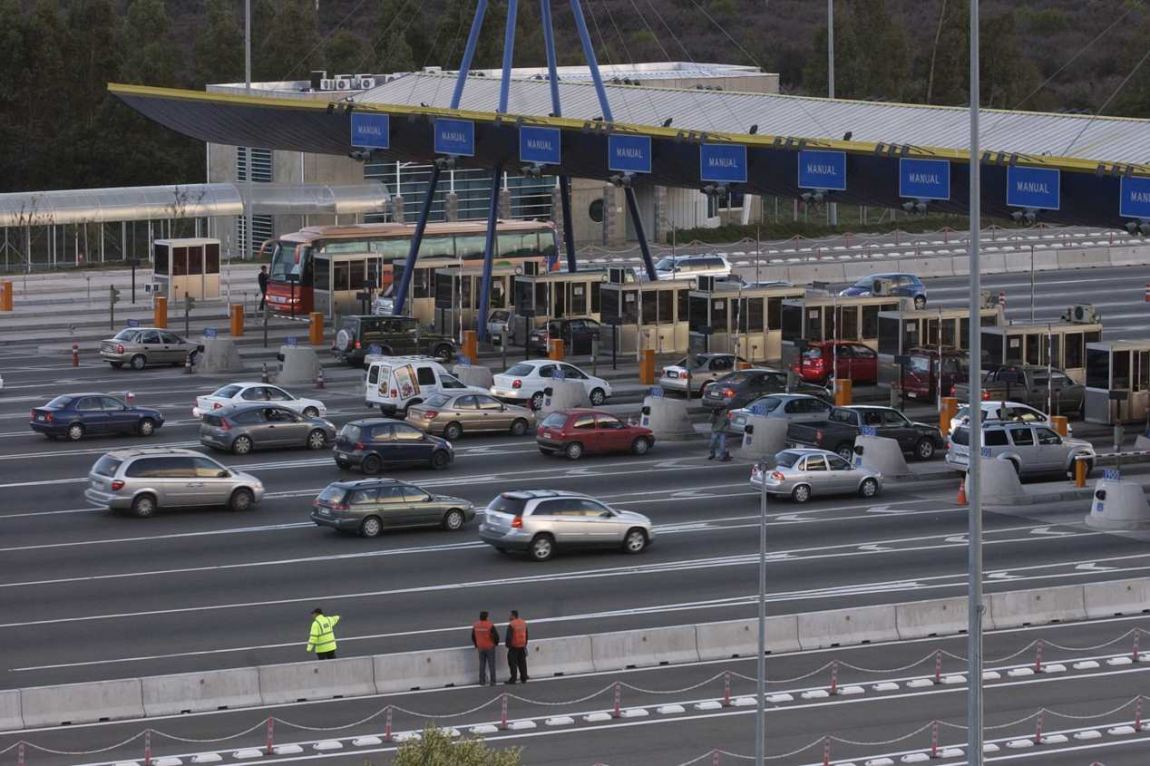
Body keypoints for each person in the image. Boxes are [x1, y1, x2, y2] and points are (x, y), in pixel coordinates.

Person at [471, 610, 500, 686]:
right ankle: (493, 681)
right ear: (487, 617)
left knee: (482, 664)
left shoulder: (476, 625)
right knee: (491, 665)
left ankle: (482, 681)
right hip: (490, 646)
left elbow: (473, 636)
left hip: (480, 647)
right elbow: (496, 636)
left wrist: (476, 644)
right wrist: (496, 643)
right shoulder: (490, 625)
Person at [505, 609, 529, 684]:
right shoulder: (523, 622)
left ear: (513, 616)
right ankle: (524, 677)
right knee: (522, 662)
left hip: (514, 646)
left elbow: (509, 637)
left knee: (512, 663)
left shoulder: (512, 624)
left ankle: (513, 678)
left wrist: (508, 645)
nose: (509, 616)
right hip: (522, 645)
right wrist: (525, 644)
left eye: (510, 615)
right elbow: (526, 634)